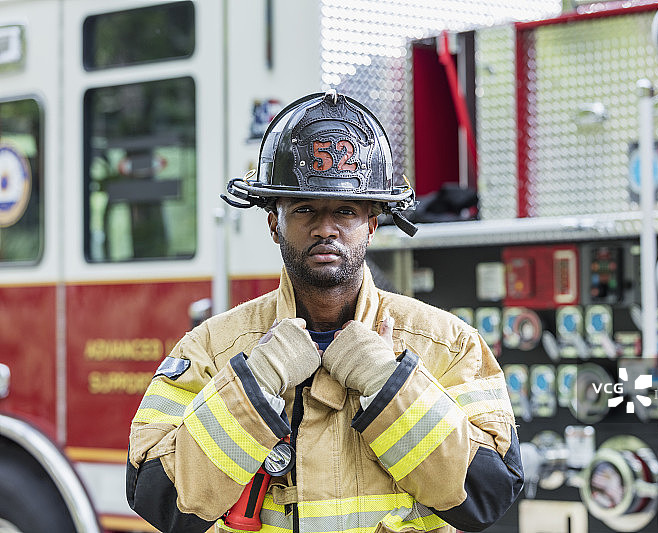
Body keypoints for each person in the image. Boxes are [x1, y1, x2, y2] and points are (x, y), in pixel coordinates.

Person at [127, 90, 523, 533]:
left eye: (346, 211)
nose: (325, 228)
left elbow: (486, 496)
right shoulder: (215, 348)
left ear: (372, 223)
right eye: (304, 209)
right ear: (274, 223)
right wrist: (253, 388)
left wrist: (390, 386)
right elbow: (159, 499)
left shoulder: (447, 345)